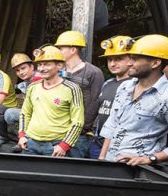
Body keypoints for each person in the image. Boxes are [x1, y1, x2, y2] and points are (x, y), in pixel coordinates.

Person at [99, 34, 168, 164]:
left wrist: (151, 158)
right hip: (111, 163)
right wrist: (102, 159)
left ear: (155, 63)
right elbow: (113, 124)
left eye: (135, 59)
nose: (129, 63)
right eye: (130, 58)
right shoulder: (125, 87)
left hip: (140, 173)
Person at [17, 46, 84, 157]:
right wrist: (22, 135)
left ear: (59, 65)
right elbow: (25, 113)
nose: (42, 68)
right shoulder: (33, 87)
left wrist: (64, 145)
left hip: (55, 146)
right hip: (31, 142)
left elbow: (77, 122)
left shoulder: (72, 89)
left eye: (47, 64)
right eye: (39, 64)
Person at [55, 30, 105, 158]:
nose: (58, 51)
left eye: (61, 48)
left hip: (80, 134)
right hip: (58, 129)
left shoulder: (93, 72)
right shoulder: (57, 71)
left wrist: (81, 128)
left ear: (73, 50)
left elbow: (95, 102)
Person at [89, 36, 132, 158]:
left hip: (120, 144)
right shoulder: (108, 83)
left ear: (131, 59)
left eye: (118, 59)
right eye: (110, 60)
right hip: (98, 141)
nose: (113, 64)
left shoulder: (135, 85)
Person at [3, 53, 39, 152]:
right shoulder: (27, 81)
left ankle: (26, 140)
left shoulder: (38, 79)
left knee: (10, 113)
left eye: (23, 68)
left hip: (41, 115)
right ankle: (22, 139)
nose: (21, 72)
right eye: (18, 70)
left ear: (32, 67)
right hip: (33, 112)